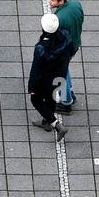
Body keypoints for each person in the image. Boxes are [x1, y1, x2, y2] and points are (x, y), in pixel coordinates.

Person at [28, 12, 74, 141]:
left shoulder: (41, 48)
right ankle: (46, 121)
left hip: (45, 80)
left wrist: (31, 87)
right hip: (60, 76)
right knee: (51, 99)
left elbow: (36, 70)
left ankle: (55, 124)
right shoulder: (66, 36)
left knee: (35, 100)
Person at [47, 0, 84, 113]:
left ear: (61, 1)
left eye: (52, 0)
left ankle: (66, 102)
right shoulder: (75, 4)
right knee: (65, 70)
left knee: (61, 73)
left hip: (64, 49)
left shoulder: (59, 19)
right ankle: (70, 93)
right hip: (75, 43)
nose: (50, 1)